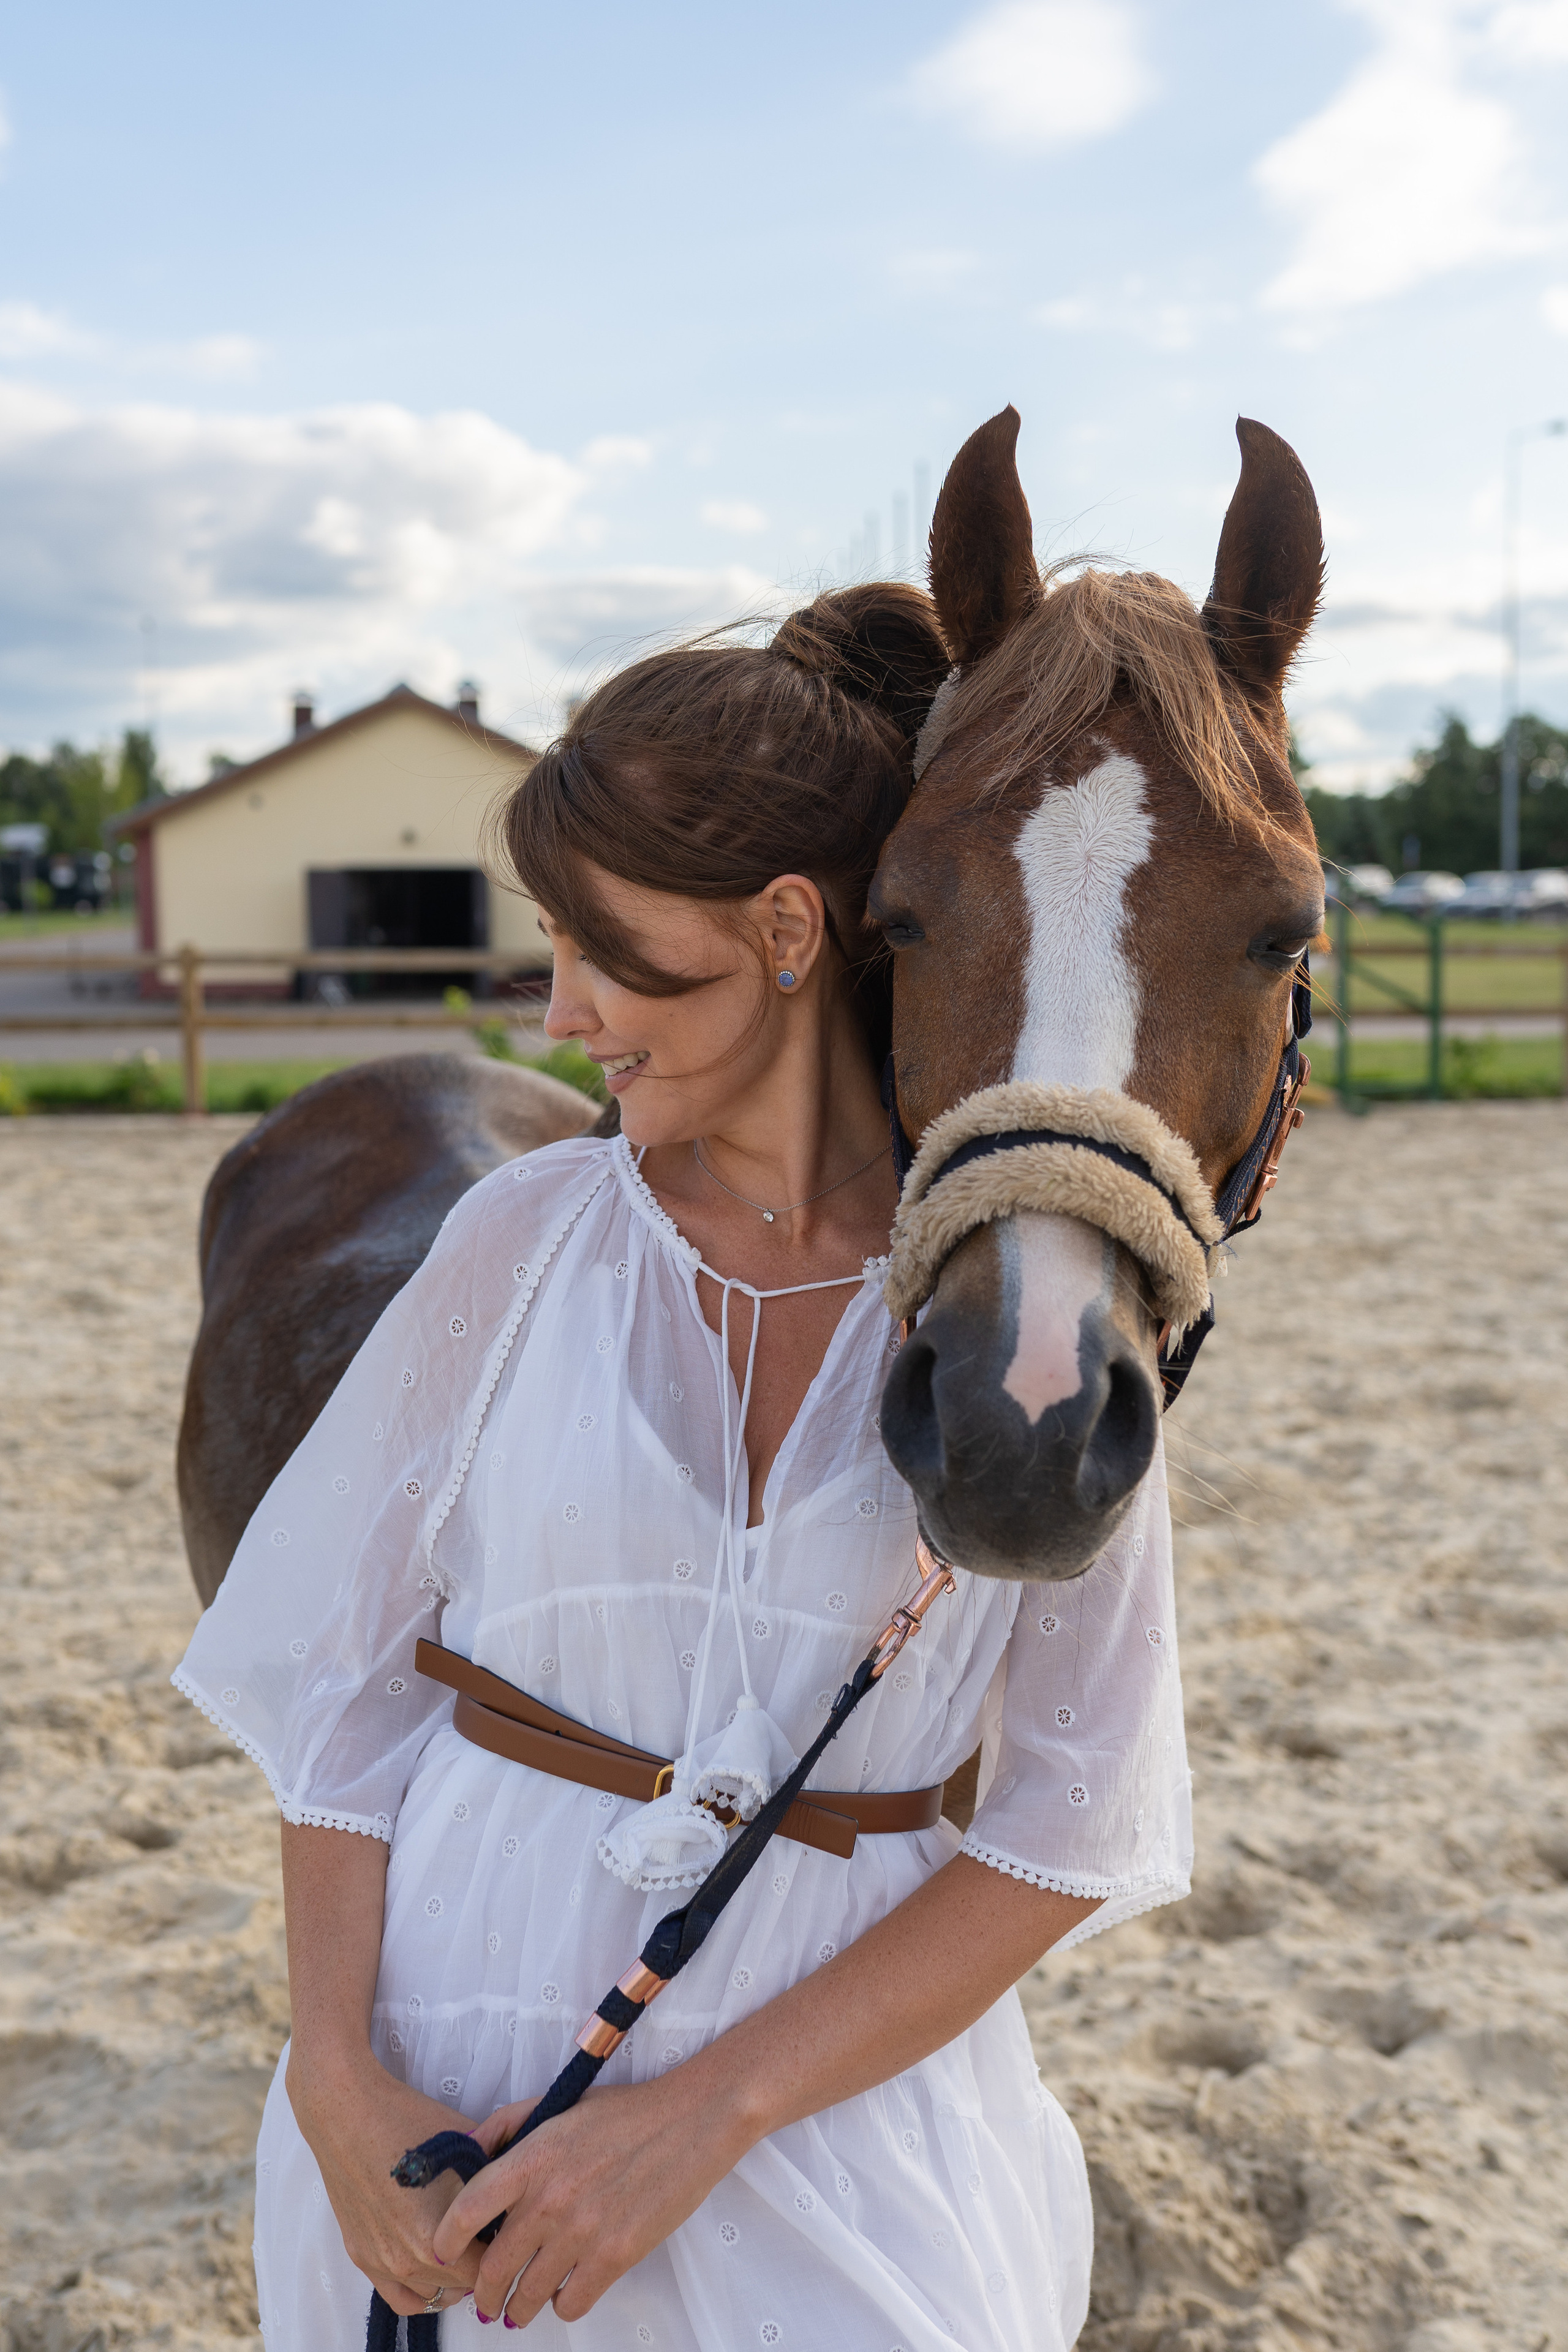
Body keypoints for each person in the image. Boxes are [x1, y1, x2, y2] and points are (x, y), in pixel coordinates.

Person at [174, 586, 1193, 2350]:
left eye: (604, 949)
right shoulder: (522, 1239)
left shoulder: (1028, 1318)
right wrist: (332, 2076)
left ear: (790, 928)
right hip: (450, 2081)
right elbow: (343, 1709)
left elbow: (1069, 1823)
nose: (559, 1012)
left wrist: (707, 2114)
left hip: (836, 2132)